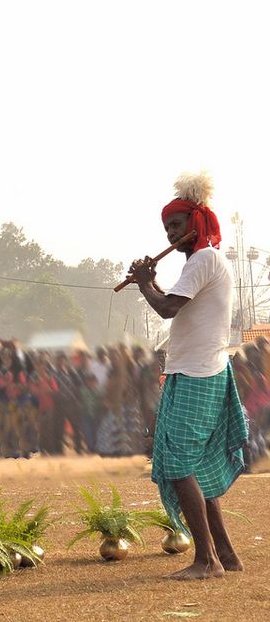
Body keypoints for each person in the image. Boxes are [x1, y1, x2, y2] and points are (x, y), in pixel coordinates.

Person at [128, 172, 248, 581]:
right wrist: (153, 284)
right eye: (166, 228)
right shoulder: (205, 262)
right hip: (195, 371)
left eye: (176, 225)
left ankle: (206, 561)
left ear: (195, 223)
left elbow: (167, 309)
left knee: (180, 465)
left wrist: (144, 282)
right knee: (191, 467)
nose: (170, 233)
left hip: (197, 373)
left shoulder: (204, 259)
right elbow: (174, 300)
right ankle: (226, 555)